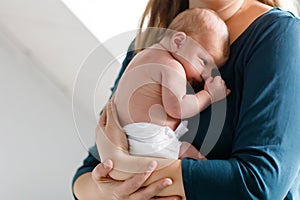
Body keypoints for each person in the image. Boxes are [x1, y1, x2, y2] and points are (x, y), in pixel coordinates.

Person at [73, 0, 300, 199]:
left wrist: (122, 166)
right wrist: (112, 193)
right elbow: (86, 177)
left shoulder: (279, 35)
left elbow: (260, 186)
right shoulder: (148, 43)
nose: (204, 77)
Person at [110, 8, 230, 162]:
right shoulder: (172, 66)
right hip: (148, 141)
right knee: (192, 156)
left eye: (213, 70)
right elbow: (178, 108)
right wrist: (209, 95)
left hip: (128, 138)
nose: (206, 75)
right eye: (204, 62)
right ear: (178, 42)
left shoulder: (146, 55)